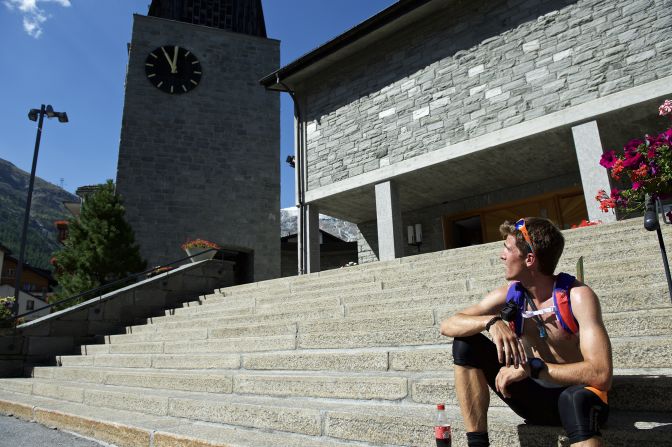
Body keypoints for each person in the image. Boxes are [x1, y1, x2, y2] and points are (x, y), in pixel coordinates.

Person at [440, 217, 612, 447]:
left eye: (508, 249)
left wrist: (533, 368)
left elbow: (601, 374)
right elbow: (448, 325)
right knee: (465, 342)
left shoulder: (577, 296)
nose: (502, 255)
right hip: (535, 398)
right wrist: (491, 322)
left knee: (574, 399)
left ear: (529, 259)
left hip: (581, 399)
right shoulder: (510, 294)